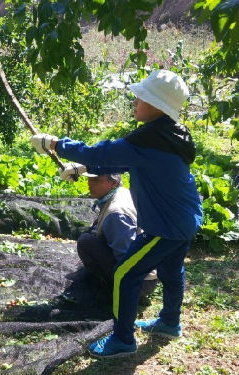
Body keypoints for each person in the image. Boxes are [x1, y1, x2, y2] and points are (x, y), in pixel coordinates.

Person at [30, 70, 203, 358]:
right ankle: (170, 322)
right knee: (172, 272)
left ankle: (123, 339)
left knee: (124, 274)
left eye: (142, 96)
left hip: (165, 226)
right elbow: (127, 161)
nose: (135, 100)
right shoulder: (170, 135)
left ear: (158, 106)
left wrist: (55, 144)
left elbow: (101, 153)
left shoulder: (149, 140)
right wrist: (81, 170)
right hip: (185, 218)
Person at [59, 169, 157, 299]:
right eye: (89, 178)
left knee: (86, 242)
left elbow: (127, 258)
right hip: (146, 275)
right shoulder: (122, 192)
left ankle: (114, 290)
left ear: (113, 183)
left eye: (96, 180)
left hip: (139, 283)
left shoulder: (116, 214)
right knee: (91, 236)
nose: (90, 183)